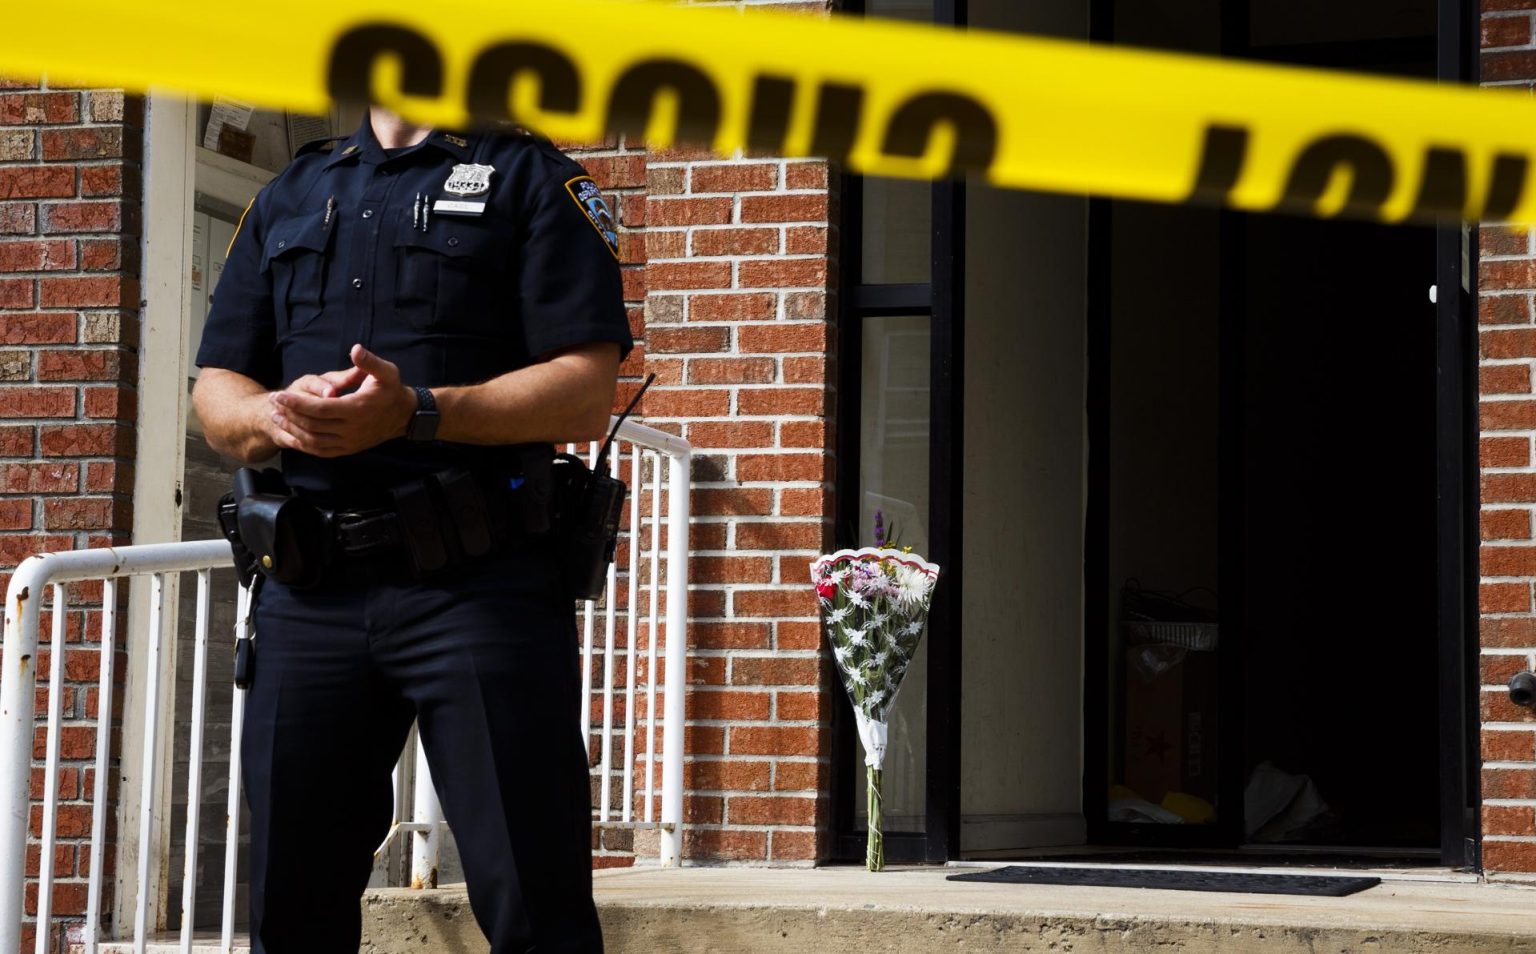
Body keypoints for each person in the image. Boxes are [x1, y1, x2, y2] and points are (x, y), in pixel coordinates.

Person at [192, 106, 632, 953]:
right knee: (291, 908)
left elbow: (584, 387)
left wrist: (415, 413)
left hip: (480, 586)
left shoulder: (536, 181)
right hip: (308, 592)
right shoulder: (293, 189)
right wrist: (274, 416)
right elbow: (218, 389)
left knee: (533, 905)